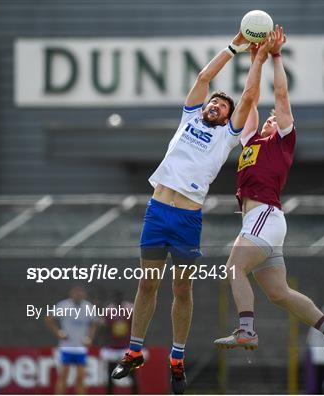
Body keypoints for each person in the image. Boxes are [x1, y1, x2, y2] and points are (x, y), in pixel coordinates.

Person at [111, 30, 276, 394]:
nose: (215, 106)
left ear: (229, 118)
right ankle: (135, 351)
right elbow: (204, 78)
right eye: (213, 103)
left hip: (187, 219)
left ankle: (177, 358)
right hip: (157, 212)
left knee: (181, 288)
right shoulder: (188, 118)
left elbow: (249, 96)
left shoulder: (226, 137)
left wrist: (259, 61)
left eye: (222, 106)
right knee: (148, 284)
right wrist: (234, 45)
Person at [213, 26, 324, 369]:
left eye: (277, 119)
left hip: (265, 217)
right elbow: (250, 95)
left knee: (233, 268)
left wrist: (275, 56)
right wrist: (254, 55)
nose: (273, 118)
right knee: (278, 293)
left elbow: (279, 94)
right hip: (260, 222)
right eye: (271, 118)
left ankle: (246, 330)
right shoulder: (252, 142)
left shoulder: (282, 141)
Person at [45, 285, 97, 395]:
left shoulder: (88, 307)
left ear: (84, 294)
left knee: (81, 378)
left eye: (80, 293)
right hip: (66, 347)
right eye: (76, 293)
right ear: (71, 294)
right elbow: (49, 318)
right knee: (63, 377)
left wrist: (89, 337)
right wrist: (58, 332)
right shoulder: (64, 306)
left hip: (81, 348)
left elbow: (94, 323)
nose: (78, 295)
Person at [100, 292, 138, 394]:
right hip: (112, 348)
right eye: (116, 299)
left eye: (120, 299)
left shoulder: (130, 309)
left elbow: (137, 326)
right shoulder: (109, 310)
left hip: (126, 347)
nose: (118, 301)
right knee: (110, 374)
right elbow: (105, 329)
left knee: (132, 374)